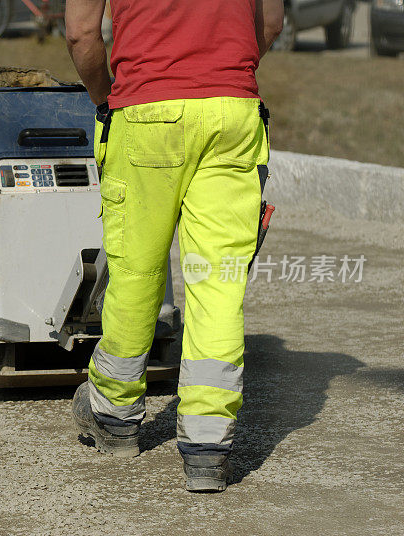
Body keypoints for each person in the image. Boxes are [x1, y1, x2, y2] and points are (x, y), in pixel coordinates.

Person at [65, 0, 284, 492]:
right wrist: (218, 76)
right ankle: (208, 445)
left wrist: (108, 98)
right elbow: (268, 23)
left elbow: (82, 34)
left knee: (137, 271)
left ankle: (114, 413)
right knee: (219, 280)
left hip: (145, 112)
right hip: (233, 115)